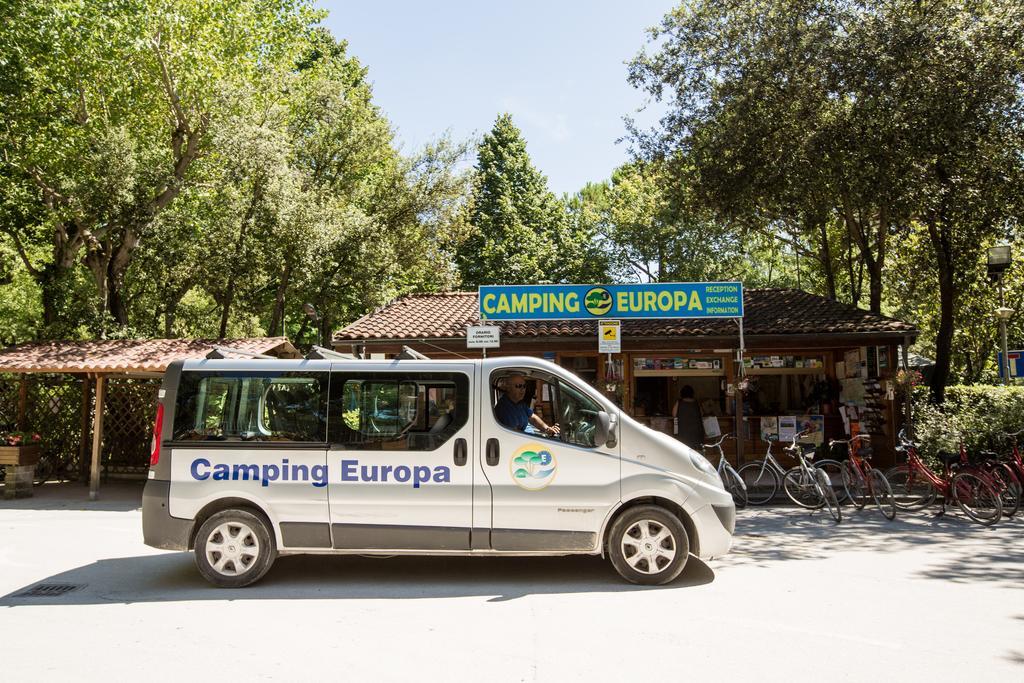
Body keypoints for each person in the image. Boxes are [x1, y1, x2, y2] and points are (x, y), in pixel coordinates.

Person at [495, 374, 560, 437]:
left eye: (524, 386)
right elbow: (515, 436)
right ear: (508, 388)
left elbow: (533, 418)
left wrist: (547, 429)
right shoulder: (504, 409)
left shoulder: (520, 403)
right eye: (518, 386)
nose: (522, 389)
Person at [672, 384, 704, 450]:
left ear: (682, 393)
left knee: (684, 449)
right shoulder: (696, 403)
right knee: (695, 450)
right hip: (696, 431)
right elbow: (702, 414)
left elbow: (674, 414)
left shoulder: (679, 402)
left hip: (683, 431)